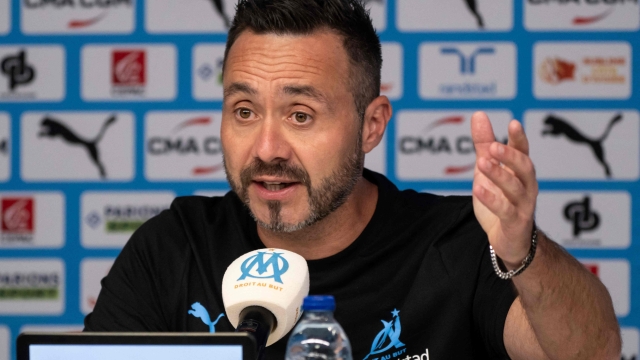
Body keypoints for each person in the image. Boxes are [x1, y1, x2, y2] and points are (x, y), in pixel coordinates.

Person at [84, 0, 621, 359]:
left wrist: (522, 252)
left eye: (300, 114)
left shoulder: (456, 243)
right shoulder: (173, 247)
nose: (266, 150)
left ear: (371, 125)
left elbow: (593, 353)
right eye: (244, 111)